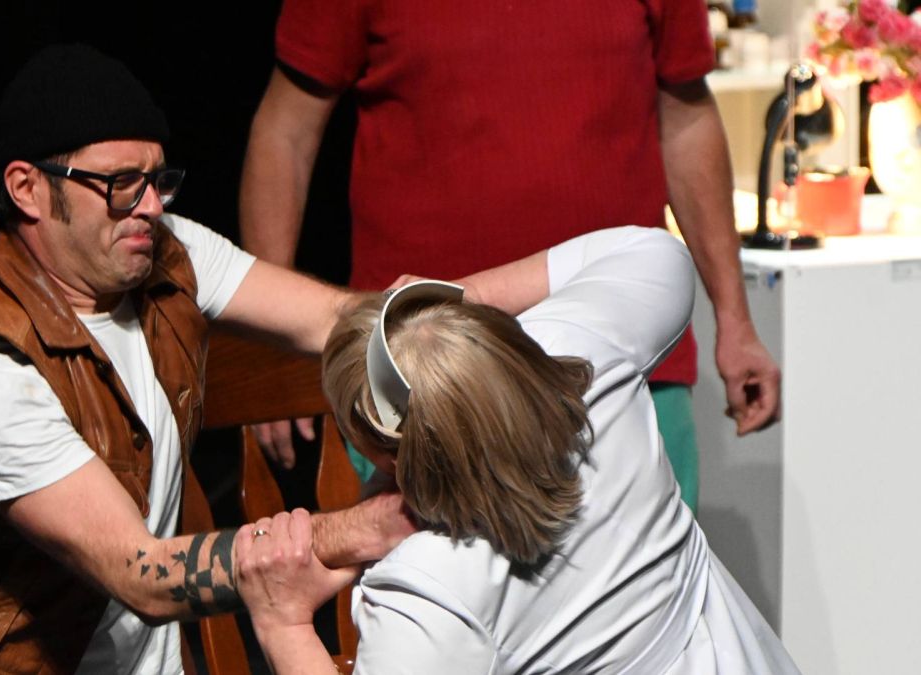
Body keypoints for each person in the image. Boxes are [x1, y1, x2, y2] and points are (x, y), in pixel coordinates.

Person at [0, 43, 543, 674]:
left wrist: (528, 308)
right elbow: (144, 573)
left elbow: (338, 318)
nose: (151, 206)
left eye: (158, 179)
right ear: (27, 188)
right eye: (121, 182)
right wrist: (374, 523)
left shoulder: (163, 251)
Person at [238, 0, 782, 511]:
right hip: (424, 373)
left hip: (625, 362)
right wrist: (268, 347)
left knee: (653, 577)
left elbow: (687, 121)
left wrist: (734, 320)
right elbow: (287, 132)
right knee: (423, 578)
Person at [238, 226, 801, 673]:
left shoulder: (430, 589)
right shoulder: (585, 362)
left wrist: (284, 626)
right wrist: (461, 307)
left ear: (384, 451)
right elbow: (654, 253)